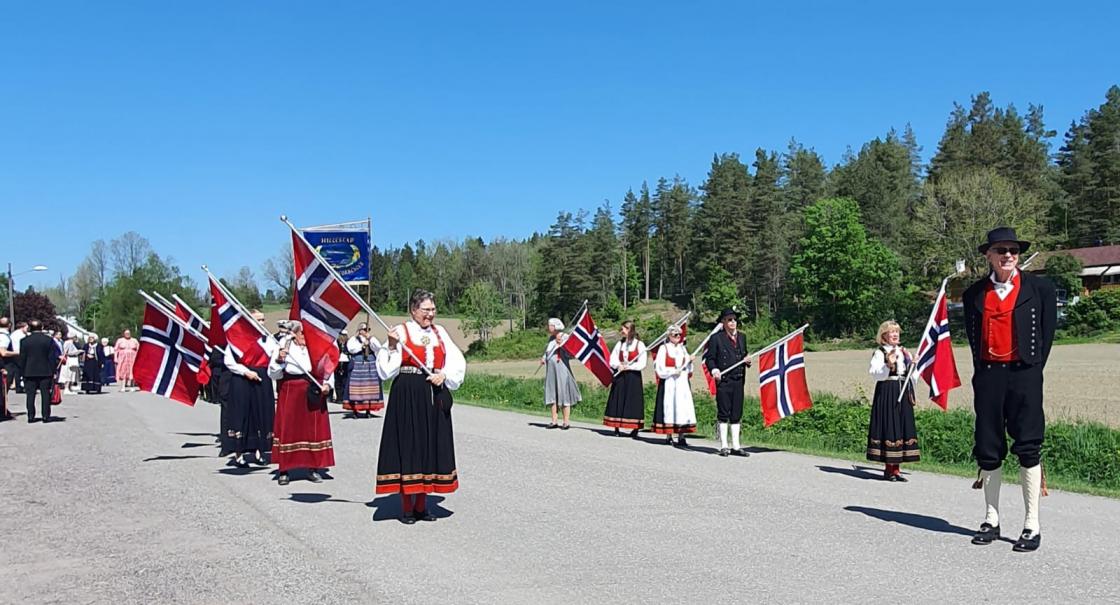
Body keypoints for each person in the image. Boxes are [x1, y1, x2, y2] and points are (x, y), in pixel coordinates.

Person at [963, 227, 1056, 553]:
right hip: (989, 375)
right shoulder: (973, 293)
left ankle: (1032, 524)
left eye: (1013, 250)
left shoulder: (1040, 289)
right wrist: (986, 373)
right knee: (988, 446)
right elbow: (974, 339)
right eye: (1000, 250)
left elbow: (1046, 336)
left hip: (1024, 375)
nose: (1008, 255)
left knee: (1028, 445)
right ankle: (991, 518)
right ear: (988, 255)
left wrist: (1029, 371)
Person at [375, 289, 466, 524]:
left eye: (433, 310)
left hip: (432, 394)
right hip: (407, 393)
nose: (430, 314)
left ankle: (422, 505)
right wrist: (393, 346)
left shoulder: (439, 332)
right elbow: (385, 371)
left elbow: (457, 360)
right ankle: (406, 506)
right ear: (413, 310)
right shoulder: (401, 331)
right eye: (426, 310)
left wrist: (443, 375)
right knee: (409, 446)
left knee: (428, 446)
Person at [270, 322, 335, 485]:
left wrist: (328, 385)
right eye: (302, 334)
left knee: (312, 430)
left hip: (312, 389)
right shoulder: (284, 346)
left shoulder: (317, 348)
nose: (306, 338)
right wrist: (280, 359)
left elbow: (328, 368)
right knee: (288, 428)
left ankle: (313, 468)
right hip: (291, 389)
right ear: (295, 334)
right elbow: (273, 373)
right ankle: (284, 469)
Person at [866, 320, 920, 481]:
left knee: (902, 425)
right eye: (891, 332)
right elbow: (875, 373)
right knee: (890, 425)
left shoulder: (904, 352)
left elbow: (911, 375)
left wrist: (913, 364)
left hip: (903, 389)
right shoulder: (880, 352)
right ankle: (889, 469)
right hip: (888, 390)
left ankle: (896, 469)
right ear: (884, 335)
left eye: (897, 331)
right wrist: (888, 365)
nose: (895, 334)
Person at [224, 310, 276, 468]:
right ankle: (239, 453)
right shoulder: (238, 339)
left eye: (263, 319)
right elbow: (229, 361)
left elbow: (273, 362)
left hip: (262, 378)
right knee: (243, 415)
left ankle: (260, 451)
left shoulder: (270, 340)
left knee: (261, 414)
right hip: (243, 378)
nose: (262, 323)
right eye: (258, 320)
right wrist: (246, 372)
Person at [704, 308, 752, 457]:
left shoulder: (742, 337)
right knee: (724, 412)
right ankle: (724, 445)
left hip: (738, 379)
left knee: (737, 412)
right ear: (723, 322)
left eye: (734, 319)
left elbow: (744, 355)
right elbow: (710, 359)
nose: (733, 322)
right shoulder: (716, 338)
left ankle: (736, 446)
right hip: (724, 380)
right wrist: (714, 370)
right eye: (729, 320)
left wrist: (748, 360)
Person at [652, 325, 697, 447]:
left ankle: (681, 435)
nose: (677, 337)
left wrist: (690, 361)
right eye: (675, 335)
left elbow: (688, 368)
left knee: (681, 408)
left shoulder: (683, 349)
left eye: (679, 335)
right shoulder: (664, 348)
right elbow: (659, 367)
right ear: (669, 336)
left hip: (681, 383)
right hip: (670, 382)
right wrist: (672, 371)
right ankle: (669, 435)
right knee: (669, 406)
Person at [604, 320, 647, 438]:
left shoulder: (639, 345)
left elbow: (642, 363)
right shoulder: (620, 344)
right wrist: (618, 365)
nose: (621, 331)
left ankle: (634, 428)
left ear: (629, 330)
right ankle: (616, 425)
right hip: (621, 375)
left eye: (623, 329)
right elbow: (612, 359)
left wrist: (629, 367)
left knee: (633, 401)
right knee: (618, 399)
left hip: (633, 377)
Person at [541, 317, 580, 429]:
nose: (549, 327)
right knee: (552, 392)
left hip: (562, 368)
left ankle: (566, 421)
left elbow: (571, 354)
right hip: (551, 369)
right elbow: (548, 352)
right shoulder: (551, 339)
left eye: (550, 325)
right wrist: (544, 358)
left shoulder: (565, 337)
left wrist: (562, 343)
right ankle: (554, 420)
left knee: (564, 393)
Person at [19, 320, 57, 423]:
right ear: (42, 327)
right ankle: (45, 416)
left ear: (30, 328)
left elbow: (22, 358)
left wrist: (22, 372)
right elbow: (52, 358)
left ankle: (31, 416)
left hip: (29, 371)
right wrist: (53, 371)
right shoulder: (48, 340)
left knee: (30, 395)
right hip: (45, 371)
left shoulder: (24, 341)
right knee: (45, 394)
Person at [345, 324, 385, 417]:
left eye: (367, 329)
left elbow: (378, 347)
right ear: (359, 330)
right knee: (356, 387)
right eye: (364, 329)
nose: (366, 331)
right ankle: (355, 410)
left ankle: (368, 410)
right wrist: (362, 346)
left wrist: (370, 339)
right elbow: (351, 349)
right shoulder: (354, 339)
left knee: (370, 386)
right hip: (358, 364)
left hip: (370, 364)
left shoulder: (371, 339)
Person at [0, 317, 16, 420]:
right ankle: (2, 410)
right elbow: (3, 352)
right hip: (5, 365)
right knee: (4, 389)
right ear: (9, 325)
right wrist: (18, 352)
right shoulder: (4, 336)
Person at [333, 330, 350, 405]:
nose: (343, 337)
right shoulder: (336, 342)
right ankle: (339, 397)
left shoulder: (348, 343)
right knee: (337, 380)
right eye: (342, 335)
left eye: (344, 335)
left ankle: (343, 396)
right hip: (337, 362)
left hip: (346, 362)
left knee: (345, 380)